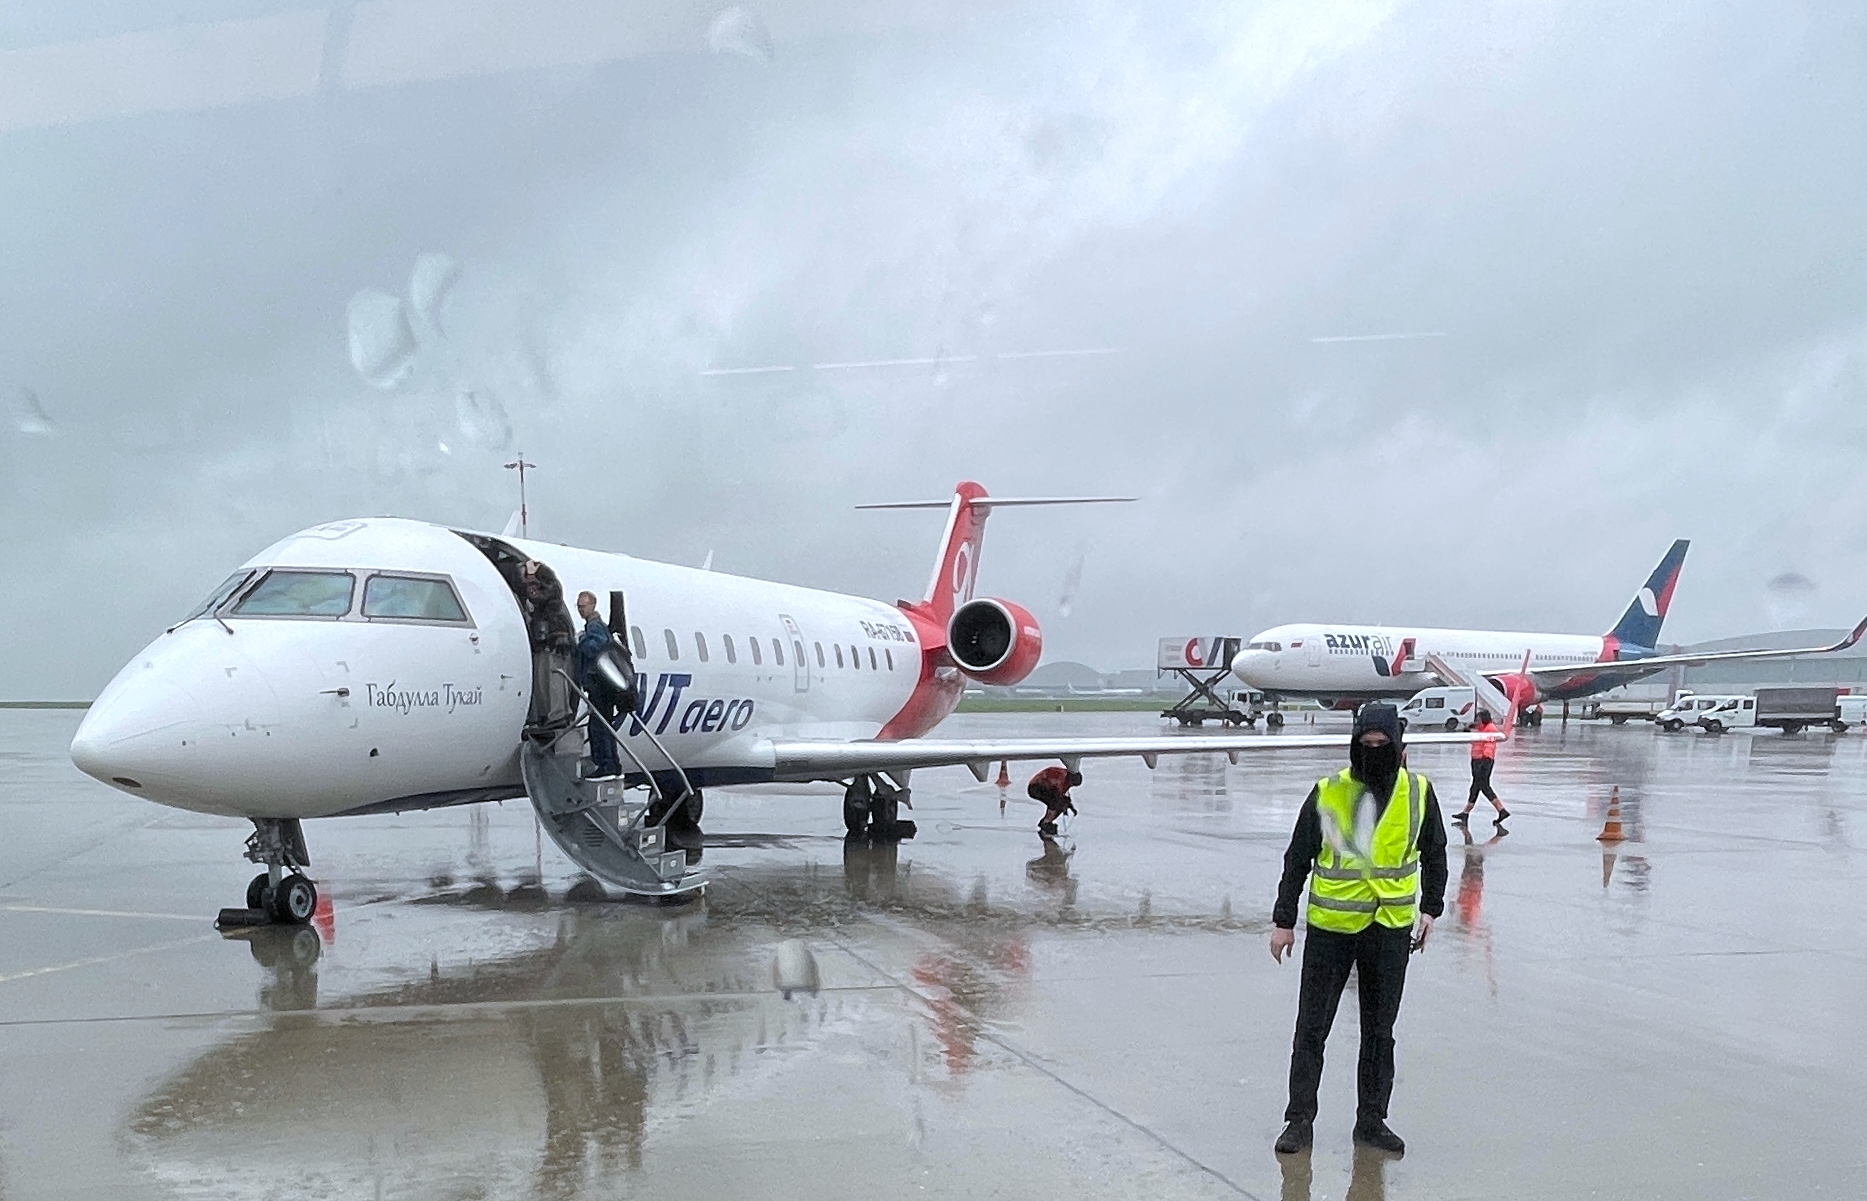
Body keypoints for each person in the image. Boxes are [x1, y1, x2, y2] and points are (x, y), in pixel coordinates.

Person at [1269, 703, 1447, 1158]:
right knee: (1311, 1029)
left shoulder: (1419, 793)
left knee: (1379, 1032)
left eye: (1381, 745)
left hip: (1389, 930)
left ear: (1397, 746)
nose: (1373, 752)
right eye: (1365, 745)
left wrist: (1431, 909)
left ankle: (1372, 1120)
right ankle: (1298, 1121)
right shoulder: (1329, 791)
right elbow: (1298, 856)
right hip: (1331, 928)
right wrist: (1284, 920)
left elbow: (1435, 853)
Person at [573, 591, 620, 778]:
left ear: (593, 605)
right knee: (603, 725)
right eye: (578, 606)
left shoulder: (594, 626)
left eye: (583, 606)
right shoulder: (596, 625)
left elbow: (596, 647)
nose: (580, 610)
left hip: (599, 686)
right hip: (603, 685)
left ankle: (605, 765)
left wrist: (580, 641)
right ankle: (611, 764)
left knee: (599, 727)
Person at [1455, 709, 1509, 824]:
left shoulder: (1490, 729)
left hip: (1483, 761)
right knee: (1477, 787)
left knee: (1482, 787)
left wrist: (1485, 760)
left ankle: (1501, 810)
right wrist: (1468, 728)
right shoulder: (1481, 729)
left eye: (1478, 720)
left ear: (1484, 719)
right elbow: (1468, 736)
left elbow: (1489, 746)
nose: (1477, 722)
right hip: (1477, 760)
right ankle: (1466, 813)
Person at [1026, 765, 1081, 836]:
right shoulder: (1061, 776)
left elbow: (1062, 795)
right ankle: (1046, 822)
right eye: (1072, 784)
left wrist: (1070, 806)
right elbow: (1056, 793)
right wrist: (1066, 804)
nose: (1070, 786)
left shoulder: (1066, 778)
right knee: (1056, 803)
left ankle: (1047, 821)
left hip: (1046, 787)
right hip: (1036, 787)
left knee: (1059, 803)